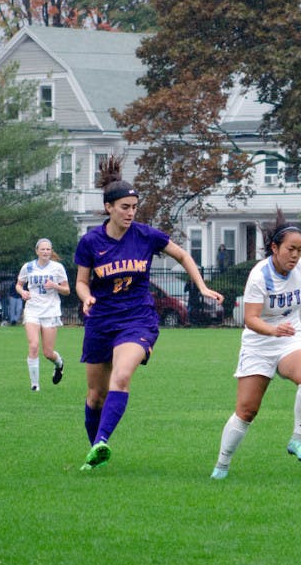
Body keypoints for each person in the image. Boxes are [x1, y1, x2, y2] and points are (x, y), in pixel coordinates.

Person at [76, 157, 223, 471]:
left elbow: (183, 255)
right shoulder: (90, 242)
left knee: (123, 376)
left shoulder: (145, 235)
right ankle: (94, 452)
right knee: (94, 396)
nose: (131, 213)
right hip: (101, 321)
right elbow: (80, 281)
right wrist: (86, 297)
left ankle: (102, 440)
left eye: (134, 207)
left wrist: (202, 286)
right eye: (125, 207)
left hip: (137, 319)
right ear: (109, 208)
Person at [210, 217, 301, 480]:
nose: (295, 255)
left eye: (300, 250)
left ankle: (297, 440)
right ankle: (221, 466)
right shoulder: (259, 276)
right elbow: (251, 319)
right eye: (290, 249)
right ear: (274, 248)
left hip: (290, 338)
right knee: (247, 411)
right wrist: (273, 330)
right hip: (259, 343)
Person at [16, 239, 70, 391]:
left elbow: (67, 290)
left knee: (47, 353)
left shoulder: (57, 268)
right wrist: (23, 292)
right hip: (32, 310)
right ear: (37, 251)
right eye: (43, 249)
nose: (46, 252)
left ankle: (59, 363)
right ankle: (35, 385)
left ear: (51, 251)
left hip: (50, 311)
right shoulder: (28, 267)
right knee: (33, 345)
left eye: (48, 249)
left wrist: (54, 285)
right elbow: (19, 285)